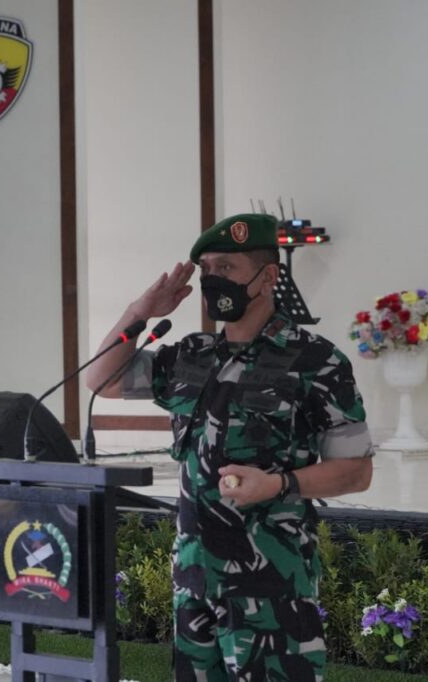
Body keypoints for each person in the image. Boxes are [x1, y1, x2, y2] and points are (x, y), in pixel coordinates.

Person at [86, 213, 373, 681]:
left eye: (227, 268)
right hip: (194, 579)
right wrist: (140, 312)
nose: (213, 280)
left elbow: (357, 472)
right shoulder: (190, 355)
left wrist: (278, 485)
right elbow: (101, 380)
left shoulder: (316, 361)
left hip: (273, 584)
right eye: (207, 270)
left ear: (268, 277)